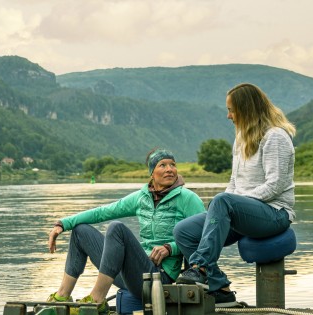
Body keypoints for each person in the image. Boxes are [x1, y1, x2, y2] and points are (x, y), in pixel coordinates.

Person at [173, 83, 296, 307]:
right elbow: (234, 183)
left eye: (231, 110)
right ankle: (220, 287)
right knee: (183, 231)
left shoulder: (275, 137)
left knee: (222, 201)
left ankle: (199, 267)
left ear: (246, 109)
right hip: (243, 212)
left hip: (275, 213)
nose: (228, 116)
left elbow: (275, 185)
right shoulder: (241, 139)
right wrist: (226, 206)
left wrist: (235, 204)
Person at [47, 149, 205, 314]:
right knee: (80, 231)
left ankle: (97, 299)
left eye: (173, 164)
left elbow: (204, 237)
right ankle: (62, 297)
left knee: (117, 229)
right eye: (162, 165)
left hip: (158, 278)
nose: (169, 169)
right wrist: (63, 224)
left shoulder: (188, 198)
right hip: (131, 275)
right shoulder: (141, 197)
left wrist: (170, 247)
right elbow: (102, 212)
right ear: (152, 172)